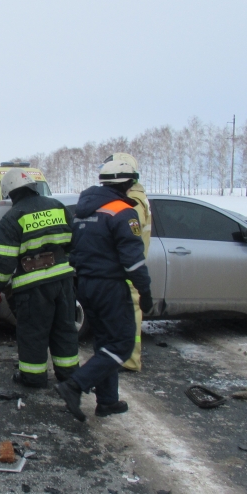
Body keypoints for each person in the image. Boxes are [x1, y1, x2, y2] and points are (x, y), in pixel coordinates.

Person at [54, 159, 152, 421]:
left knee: (104, 343)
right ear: (128, 182)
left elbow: (76, 251)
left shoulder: (85, 210)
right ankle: (75, 385)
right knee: (121, 344)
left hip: (87, 286)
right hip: (109, 286)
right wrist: (145, 291)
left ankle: (107, 401)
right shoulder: (122, 212)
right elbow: (133, 259)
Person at [0, 168, 79, 387]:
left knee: (33, 333)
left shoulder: (11, 219)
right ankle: (69, 377)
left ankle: (34, 377)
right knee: (64, 329)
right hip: (63, 282)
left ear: (11, 193)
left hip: (33, 287)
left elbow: (4, 263)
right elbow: (73, 244)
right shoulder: (58, 207)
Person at [104, 152, 152, 372]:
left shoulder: (134, 202)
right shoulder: (133, 198)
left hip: (128, 273)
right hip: (125, 271)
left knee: (130, 317)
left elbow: (126, 233)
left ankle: (130, 360)